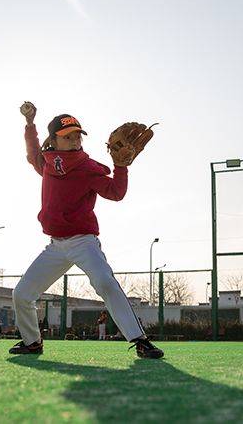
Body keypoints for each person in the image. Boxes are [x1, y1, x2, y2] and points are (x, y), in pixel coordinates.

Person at [9, 102, 163, 358]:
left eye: (77, 135)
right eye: (67, 136)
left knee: (104, 282)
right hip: (56, 246)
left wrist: (121, 167)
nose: (74, 139)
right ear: (54, 140)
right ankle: (32, 341)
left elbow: (116, 193)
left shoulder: (88, 167)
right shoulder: (46, 162)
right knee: (22, 294)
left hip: (83, 242)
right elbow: (32, 150)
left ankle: (140, 340)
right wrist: (29, 123)